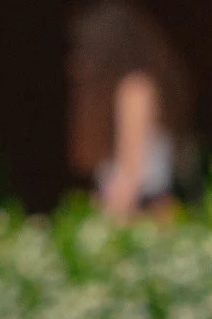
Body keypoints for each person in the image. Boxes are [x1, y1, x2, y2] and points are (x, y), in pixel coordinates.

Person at [66, 1, 195, 222]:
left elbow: (131, 174)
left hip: (145, 213)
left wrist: (105, 223)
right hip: (134, 210)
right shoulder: (122, 91)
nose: (78, 60)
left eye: (86, 50)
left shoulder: (135, 89)